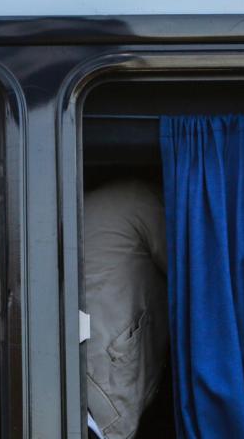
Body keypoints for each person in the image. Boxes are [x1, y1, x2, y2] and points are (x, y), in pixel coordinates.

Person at [83, 179, 169, 439]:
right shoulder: (143, 201)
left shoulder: (87, 208)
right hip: (105, 393)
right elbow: (198, 283)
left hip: (87, 385)